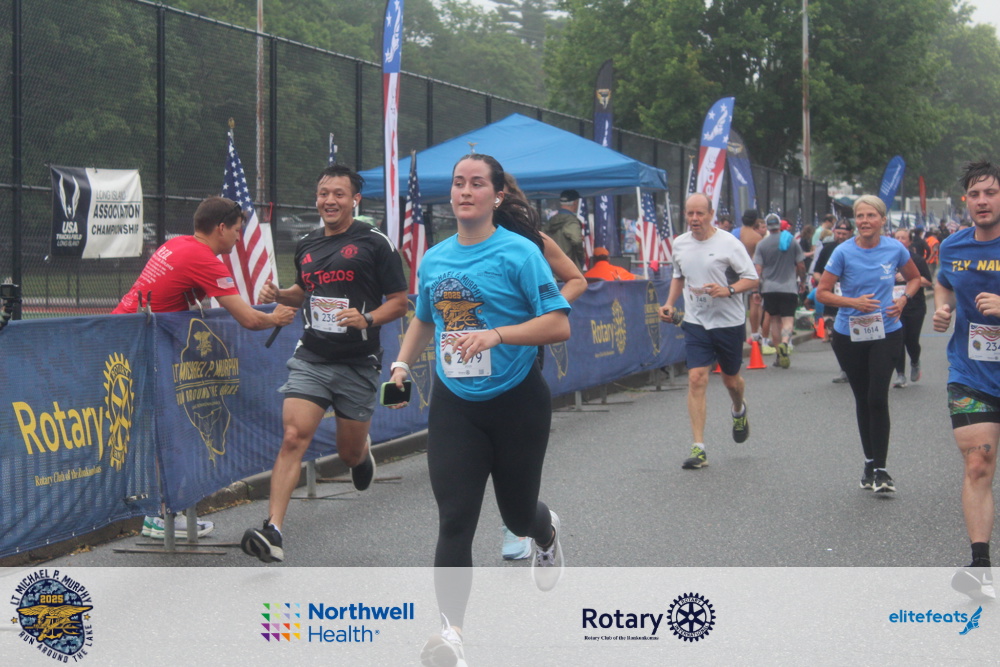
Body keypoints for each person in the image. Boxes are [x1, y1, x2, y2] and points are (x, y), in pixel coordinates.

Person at [388, 154, 570, 665]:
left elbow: (559, 324)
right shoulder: (435, 258)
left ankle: (546, 532)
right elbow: (425, 318)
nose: (465, 191)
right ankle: (452, 635)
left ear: (497, 195)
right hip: (456, 406)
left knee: (518, 514)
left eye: (476, 184)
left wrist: (497, 334)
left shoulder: (520, 253)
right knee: (455, 519)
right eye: (458, 183)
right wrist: (400, 365)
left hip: (518, 402)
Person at [240, 164, 408, 563]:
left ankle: (361, 453)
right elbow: (304, 292)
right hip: (312, 355)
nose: (329, 201)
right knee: (293, 437)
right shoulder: (307, 244)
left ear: (355, 200)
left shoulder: (375, 243)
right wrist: (280, 294)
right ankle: (273, 531)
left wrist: (366, 318)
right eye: (323, 194)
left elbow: (400, 303)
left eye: (338, 194)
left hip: (358, 362)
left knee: (347, 455)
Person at [112, 196, 297, 540]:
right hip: (137, 348)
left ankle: (161, 511)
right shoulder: (203, 258)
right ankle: (158, 515)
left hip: (125, 341)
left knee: (164, 428)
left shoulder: (177, 244)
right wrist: (276, 317)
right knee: (165, 429)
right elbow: (247, 318)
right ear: (221, 228)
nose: (239, 238)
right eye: (237, 230)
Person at [497, 173, 586, 562]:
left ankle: (516, 524)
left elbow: (576, 280)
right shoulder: (462, 243)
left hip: (520, 348)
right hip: (473, 356)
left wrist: (547, 310)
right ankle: (516, 518)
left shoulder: (533, 240)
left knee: (511, 436)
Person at [816, 195, 921, 493]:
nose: (864, 221)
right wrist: (854, 303)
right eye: (860, 216)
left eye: (871, 215)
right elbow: (822, 293)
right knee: (863, 399)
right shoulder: (843, 252)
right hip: (849, 335)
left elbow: (915, 279)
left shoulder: (895, 248)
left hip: (886, 331)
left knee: (877, 397)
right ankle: (869, 463)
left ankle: (882, 471)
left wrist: (903, 299)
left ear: (882, 220)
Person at [933, 160, 1000, 602]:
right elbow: (944, 282)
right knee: (978, 464)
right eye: (975, 194)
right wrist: (944, 308)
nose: (982, 201)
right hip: (971, 371)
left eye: (990, 192)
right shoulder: (953, 246)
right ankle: (980, 568)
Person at [658, 193, 759, 470]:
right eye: (690, 213)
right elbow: (679, 276)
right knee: (696, 378)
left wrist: (728, 290)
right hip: (696, 321)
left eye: (700, 213)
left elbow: (752, 278)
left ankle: (738, 409)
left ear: (711, 215)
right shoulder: (680, 244)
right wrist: (669, 303)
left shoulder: (729, 243)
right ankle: (698, 448)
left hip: (728, 322)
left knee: (731, 381)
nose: (694, 219)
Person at [754, 213, 806, 368]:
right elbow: (801, 265)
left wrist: (757, 289)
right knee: (788, 320)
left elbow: (758, 269)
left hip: (769, 288)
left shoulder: (762, 244)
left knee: (775, 321)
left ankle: (778, 355)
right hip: (789, 287)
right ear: (779, 224)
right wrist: (802, 281)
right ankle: (785, 342)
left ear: (767, 226)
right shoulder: (791, 241)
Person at [812, 219, 855, 381]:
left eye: (844, 234)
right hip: (831, 300)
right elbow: (817, 271)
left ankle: (855, 367)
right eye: (838, 233)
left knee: (854, 337)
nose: (841, 236)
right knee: (835, 338)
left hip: (852, 300)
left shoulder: (856, 248)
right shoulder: (828, 249)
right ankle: (844, 368)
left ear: (850, 233)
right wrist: (823, 282)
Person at [891, 228, 932, 388]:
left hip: (915, 306)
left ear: (909, 242)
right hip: (895, 306)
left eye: (903, 238)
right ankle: (900, 374)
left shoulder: (916, 260)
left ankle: (915, 361)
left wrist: (908, 277)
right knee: (898, 339)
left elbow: (928, 281)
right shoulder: (888, 259)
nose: (900, 240)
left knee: (911, 340)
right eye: (897, 238)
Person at [542, 189, 586, 269]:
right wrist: (580, 258)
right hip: (568, 268)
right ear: (575, 203)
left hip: (551, 266)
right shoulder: (571, 221)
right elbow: (577, 240)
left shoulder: (551, 221)